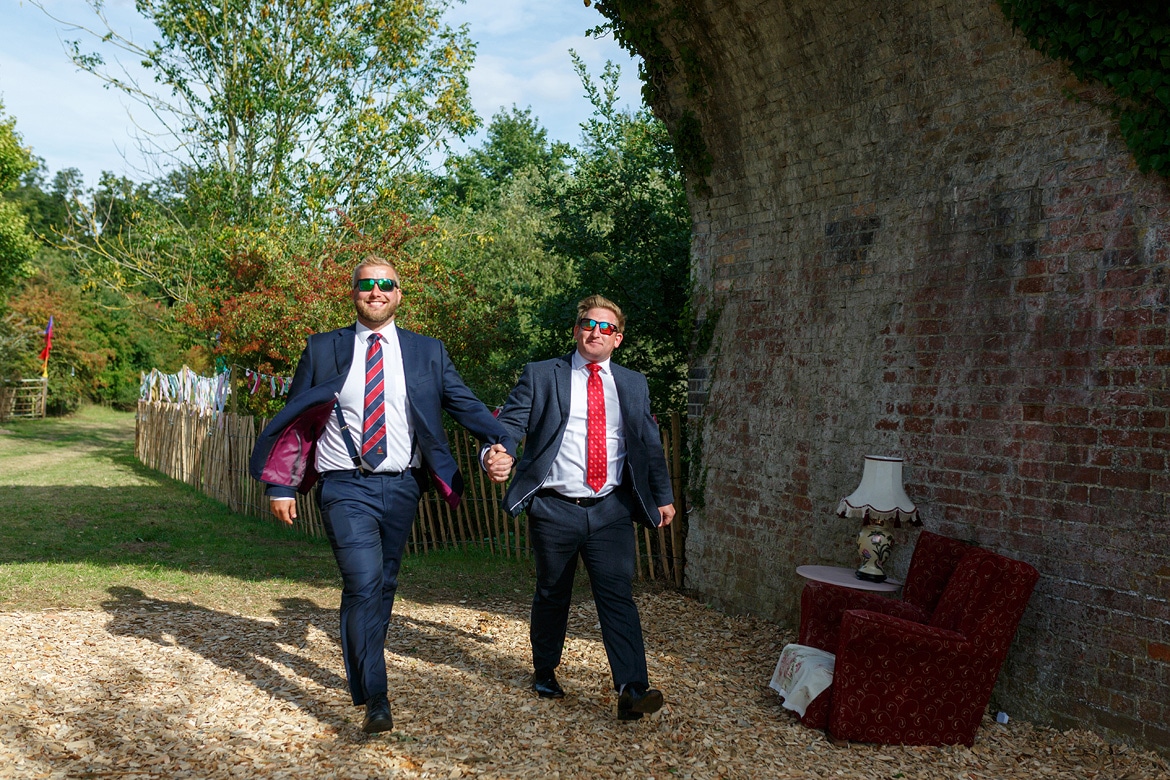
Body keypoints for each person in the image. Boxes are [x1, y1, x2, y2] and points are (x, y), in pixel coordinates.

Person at [250, 255, 509, 734]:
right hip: (343, 485)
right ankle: (377, 695)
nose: (376, 291)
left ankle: (364, 676)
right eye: (367, 284)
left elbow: (465, 404)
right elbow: (295, 419)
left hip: (403, 485)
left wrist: (499, 440)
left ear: (399, 294)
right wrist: (281, 483)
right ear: (353, 293)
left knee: (383, 585)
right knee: (364, 582)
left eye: (385, 284)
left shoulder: (427, 351)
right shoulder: (323, 347)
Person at [485, 294, 676, 721]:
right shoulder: (541, 375)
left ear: (618, 339)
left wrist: (662, 496)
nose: (596, 332)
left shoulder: (633, 384)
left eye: (606, 327)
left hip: (610, 508)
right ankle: (545, 670)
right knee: (554, 591)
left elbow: (648, 445)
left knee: (618, 595)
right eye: (589, 324)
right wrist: (498, 453)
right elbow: (509, 426)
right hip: (554, 507)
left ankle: (632, 686)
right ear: (576, 331)